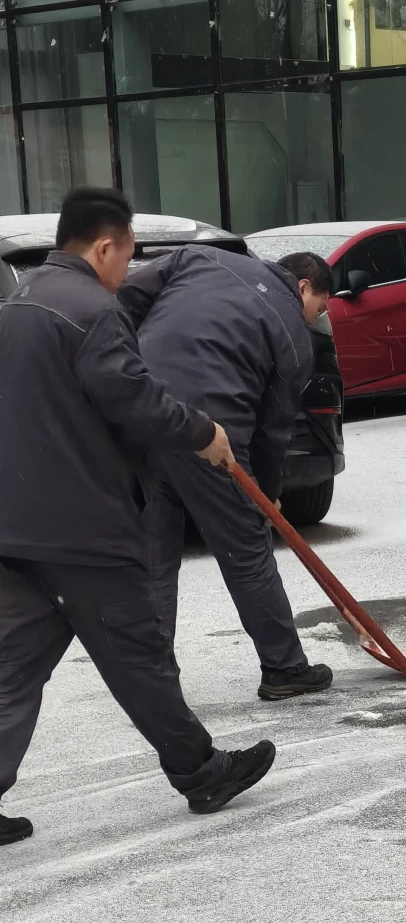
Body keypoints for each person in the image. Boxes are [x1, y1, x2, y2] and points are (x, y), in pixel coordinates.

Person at [0, 187, 276, 846]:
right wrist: (202, 431)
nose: (129, 268)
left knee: (10, 668)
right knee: (139, 657)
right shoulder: (93, 310)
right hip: (81, 527)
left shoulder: (16, 302)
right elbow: (135, 400)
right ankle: (203, 771)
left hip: (15, 525)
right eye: (127, 253)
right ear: (105, 245)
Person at [119, 246, 335, 701]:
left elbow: (128, 294)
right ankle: (285, 667)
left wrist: (135, 357)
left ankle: (151, 678)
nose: (319, 316)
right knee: (247, 549)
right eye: (321, 305)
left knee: (156, 550)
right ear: (302, 287)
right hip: (208, 432)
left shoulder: (200, 257)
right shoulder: (294, 338)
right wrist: (267, 496)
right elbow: (272, 431)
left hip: (143, 411)